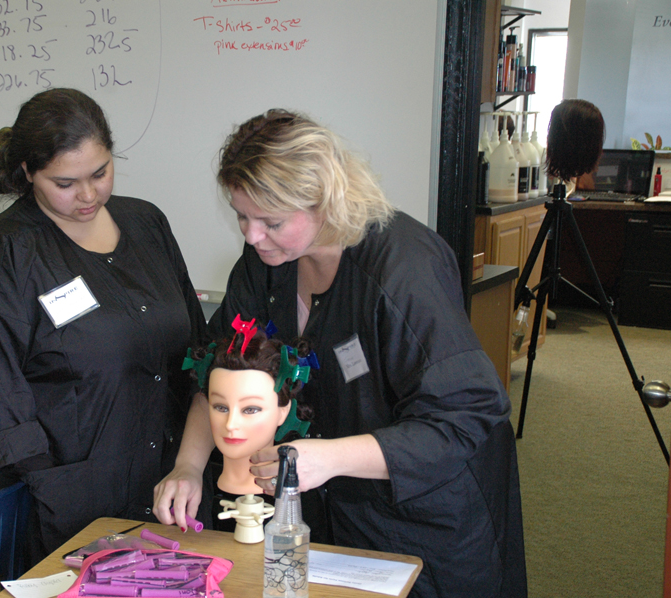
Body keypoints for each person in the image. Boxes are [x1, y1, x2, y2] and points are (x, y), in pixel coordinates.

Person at [154, 109, 526, 597]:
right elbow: (217, 372)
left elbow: (466, 416)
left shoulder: (403, 270)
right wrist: (187, 466)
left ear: (325, 201)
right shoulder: (267, 264)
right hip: (327, 514)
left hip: (425, 521)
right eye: (241, 215)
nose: (251, 235)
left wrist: (329, 458)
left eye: (271, 221)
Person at [0, 88, 206, 561]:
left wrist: (192, 461)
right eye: (65, 183)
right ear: (28, 173)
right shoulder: (1, 258)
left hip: (170, 485)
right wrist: (60, 488)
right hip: (69, 504)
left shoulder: (146, 223)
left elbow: (195, 350)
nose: (88, 195)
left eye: (100, 173)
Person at [184, 316, 311, 496]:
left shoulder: (299, 507)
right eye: (221, 407)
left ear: (283, 411)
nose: (230, 424)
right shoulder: (196, 495)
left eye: (250, 409)